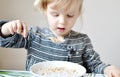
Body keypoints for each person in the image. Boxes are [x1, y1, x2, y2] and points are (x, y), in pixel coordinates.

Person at [0, 0, 120, 77]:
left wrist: (107, 68)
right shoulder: (33, 35)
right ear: (44, 10)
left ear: (78, 13)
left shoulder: (82, 40)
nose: (62, 21)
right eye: (55, 14)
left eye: (70, 15)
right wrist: (6, 29)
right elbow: (5, 41)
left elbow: (95, 65)